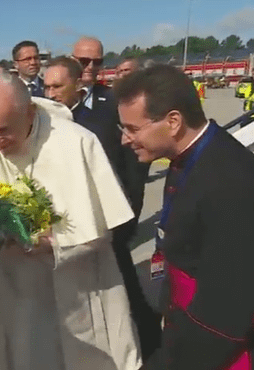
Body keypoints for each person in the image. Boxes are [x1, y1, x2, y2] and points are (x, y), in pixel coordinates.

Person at [0, 72, 141, 370]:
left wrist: (54, 242)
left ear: (30, 113)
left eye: (4, 131)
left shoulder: (76, 141)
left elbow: (103, 229)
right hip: (11, 279)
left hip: (74, 281)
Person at [116, 64, 254, 370]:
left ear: (173, 121)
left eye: (133, 128)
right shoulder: (190, 158)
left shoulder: (230, 180)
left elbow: (225, 309)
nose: (125, 139)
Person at [73, 37, 160, 359]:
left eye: (97, 62)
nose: (91, 68)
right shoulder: (44, 107)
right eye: (84, 61)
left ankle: (151, 353)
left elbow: (134, 172)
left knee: (127, 298)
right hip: (65, 229)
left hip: (109, 227)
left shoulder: (114, 103)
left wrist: (125, 223)